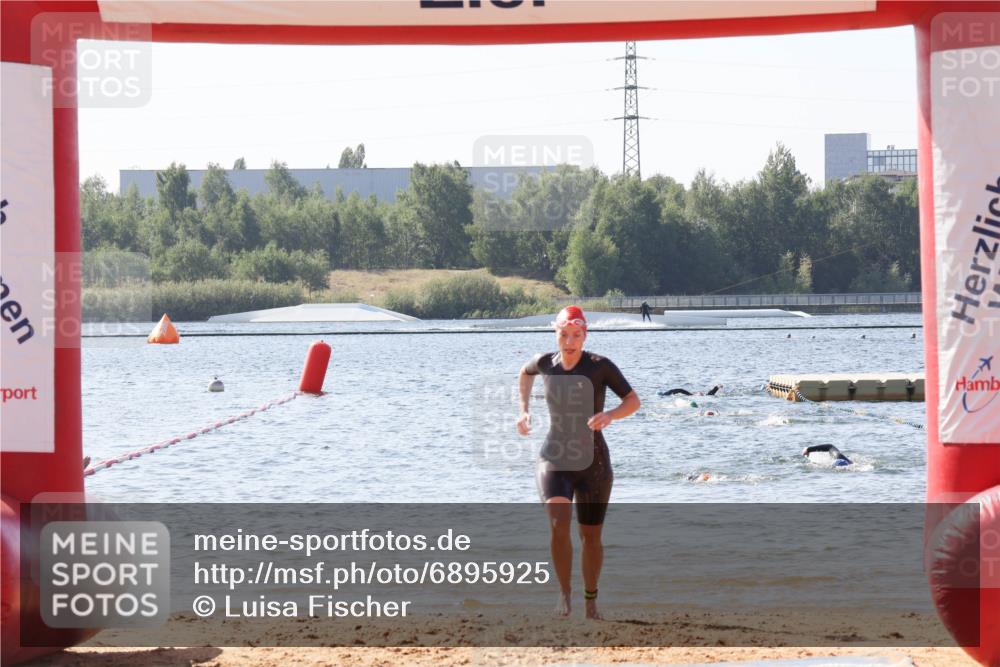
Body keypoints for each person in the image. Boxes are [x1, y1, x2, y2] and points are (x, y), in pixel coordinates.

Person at [517, 305, 640, 620]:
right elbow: (524, 373)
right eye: (564, 334)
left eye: (576, 335)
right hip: (554, 458)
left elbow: (633, 401)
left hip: (594, 464)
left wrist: (611, 415)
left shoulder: (600, 367)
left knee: (591, 537)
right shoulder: (545, 363)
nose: (569, 342)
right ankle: (564, 595)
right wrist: (524, 409)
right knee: (559, 525)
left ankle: (590, 600)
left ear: (584, 335)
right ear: (555, 333)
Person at [658, 384, 723, 397]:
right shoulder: (691, 395)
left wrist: (717, 387)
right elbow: (680, 390)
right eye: (700, 393)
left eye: (701, 394)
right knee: (680, 390)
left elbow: (712, 392)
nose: (701, 393)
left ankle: (663, 394)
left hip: (693, 396)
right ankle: (664, 394)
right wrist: (717, 386)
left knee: (680, 390)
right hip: (692, 395)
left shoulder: (707, 395)